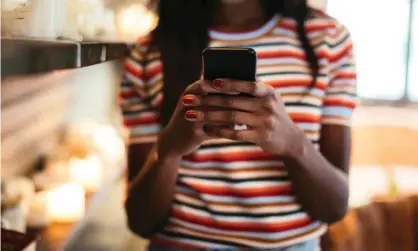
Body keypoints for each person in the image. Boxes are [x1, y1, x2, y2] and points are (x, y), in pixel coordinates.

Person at [121, 0, 357, 250]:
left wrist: (293, 144)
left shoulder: (328, 39)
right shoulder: (147, 54)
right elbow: (140, 221)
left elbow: (334, 207)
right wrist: (169, 149)